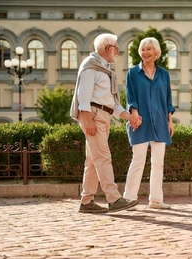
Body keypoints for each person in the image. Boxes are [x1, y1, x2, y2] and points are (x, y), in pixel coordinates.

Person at [70, 33, 141, 213]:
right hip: (93, 115)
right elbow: (83, 94)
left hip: (102, 115)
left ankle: (87, 202)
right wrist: (86, 118)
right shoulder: (91, 65)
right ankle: (114, 198)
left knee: (93, 160)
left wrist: (130, 117)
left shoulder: (104, 69)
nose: (118, 52)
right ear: (108, 48)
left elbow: (112, 104)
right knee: (103, 157)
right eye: (116, 48)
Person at [123, 37, 175, 210]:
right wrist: (134, 115)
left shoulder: (164, 74)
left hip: (160, 121)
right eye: (142, 49)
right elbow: (130, 98)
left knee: (158, 163)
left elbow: (168, 100)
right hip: (139, 121)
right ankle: (129, 199)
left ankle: (156, 200)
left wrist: (170, 121)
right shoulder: (132, 73)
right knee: (138, 160)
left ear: (156, 52)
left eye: (149, 49)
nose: (145, 52)